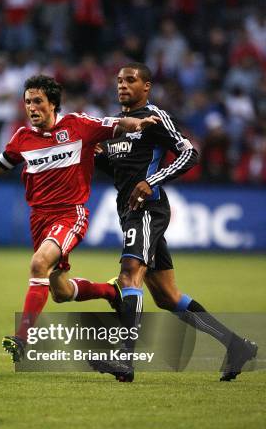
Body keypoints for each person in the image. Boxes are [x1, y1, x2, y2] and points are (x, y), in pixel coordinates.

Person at [0, 74, 160, 363]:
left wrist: (138, 123)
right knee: (60, 290)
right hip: (39, 220)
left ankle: (22, 339)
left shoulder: (78, 125)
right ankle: (112, 292)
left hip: (71, 214)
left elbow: (118, 123)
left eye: (38, 101)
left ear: (53, 103)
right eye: (27, 102)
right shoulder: (22, 138)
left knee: (38, 264)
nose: (32, 107)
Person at [62, 62, 258, 383]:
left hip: (148, 208)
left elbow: (189, 153)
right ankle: (237, 345)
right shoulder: (120, 126)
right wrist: (99, 158)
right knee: (167, 296)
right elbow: (122, 171)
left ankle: (125, 360)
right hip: (129, 209)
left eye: (130, 80)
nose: (122, 86)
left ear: (147, 86)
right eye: (119, 81)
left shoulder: (154, 117)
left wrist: (152, 180)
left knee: (129, 273)